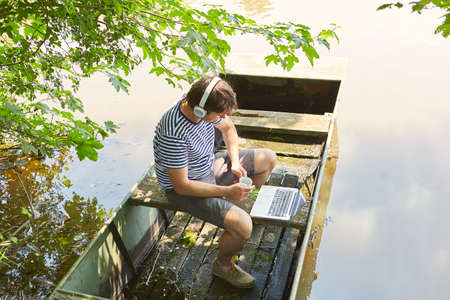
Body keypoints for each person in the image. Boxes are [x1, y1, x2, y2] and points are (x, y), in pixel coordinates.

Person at [153, 76, 276, 288]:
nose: (224, 117)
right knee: (244, 226)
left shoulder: (202, 106)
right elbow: (182, 185)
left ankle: (239, 214)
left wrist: (236, 162)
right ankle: (223, 266)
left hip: (209, 165)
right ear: (201, 111)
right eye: (220, 114)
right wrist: (227, 191)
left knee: (268, 158)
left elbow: (228, 129)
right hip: (185, 188)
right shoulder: (173, 132)